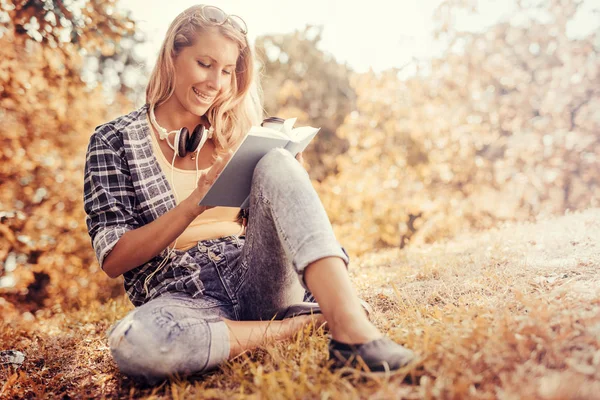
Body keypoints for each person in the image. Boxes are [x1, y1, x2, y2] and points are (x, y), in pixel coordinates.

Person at [83, 4, 414, 385]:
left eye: (227, 71)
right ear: (172, 55)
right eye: (205, 63)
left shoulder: (236, 132)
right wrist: (194, 205)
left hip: (257, 275)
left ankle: (351, 330)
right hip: (181, 296)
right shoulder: (113, 140)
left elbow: (276, 231)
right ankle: (301, 324)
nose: (216, 82)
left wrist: (284, 178)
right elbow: (114, 258)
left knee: (277, 161)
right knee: (135, 343)